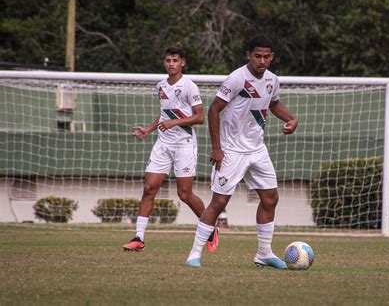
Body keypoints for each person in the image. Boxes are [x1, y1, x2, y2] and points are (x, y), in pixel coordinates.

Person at [185, 35, 298, 268]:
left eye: (267, 56)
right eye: (257, 56)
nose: (262, 61)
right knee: (219, 202)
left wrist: (291, 119)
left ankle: (264, 253)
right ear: (248, 55)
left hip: (257, 149)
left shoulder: (272, 80)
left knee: (270, 198)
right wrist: (217, 148)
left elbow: (273, 102)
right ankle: (194, 254)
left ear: (272, 57)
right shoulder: (236, 78)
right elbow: (214, 110)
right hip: (232, 150)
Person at [123, 47, 219, 252]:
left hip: (184, 144)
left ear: (182, 63)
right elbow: (164, 114)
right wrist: (148, 130)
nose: (171, 64)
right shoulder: (160, 86)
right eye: (168, 60)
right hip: (163, 143)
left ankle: (211, 227)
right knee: (149, 187)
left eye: (175, 60)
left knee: (184, 194)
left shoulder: (189, 86)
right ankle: (138, 237)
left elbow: (199, 117)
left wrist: (175, 122)